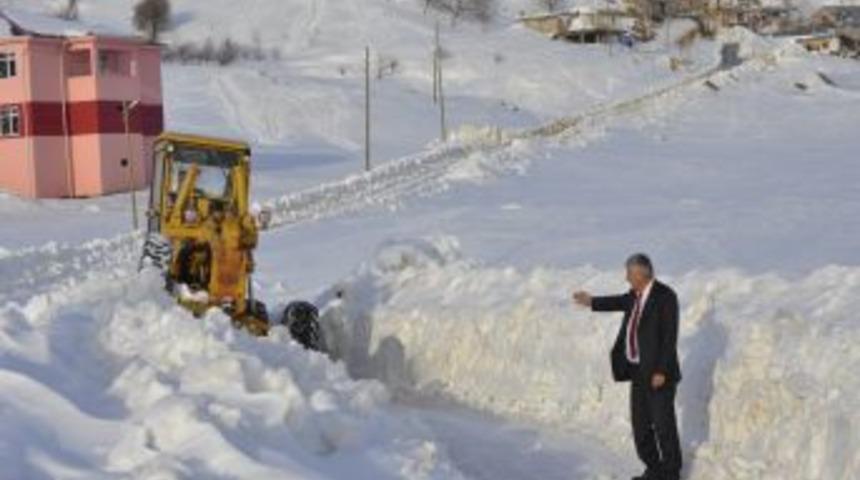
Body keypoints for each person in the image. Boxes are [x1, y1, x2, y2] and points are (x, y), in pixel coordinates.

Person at [572, 253, 682, 480]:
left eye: (629, 274)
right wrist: (591, 302)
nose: (626, 278)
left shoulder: (665, 296)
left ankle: (671, 474)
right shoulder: (634, 295)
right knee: (640, 427)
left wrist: (661, 370)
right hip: (638, 372)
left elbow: (670, 337)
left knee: (664, 427)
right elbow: (616, 301)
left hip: (659, 374)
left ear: (641, 273)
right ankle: (654, 469)